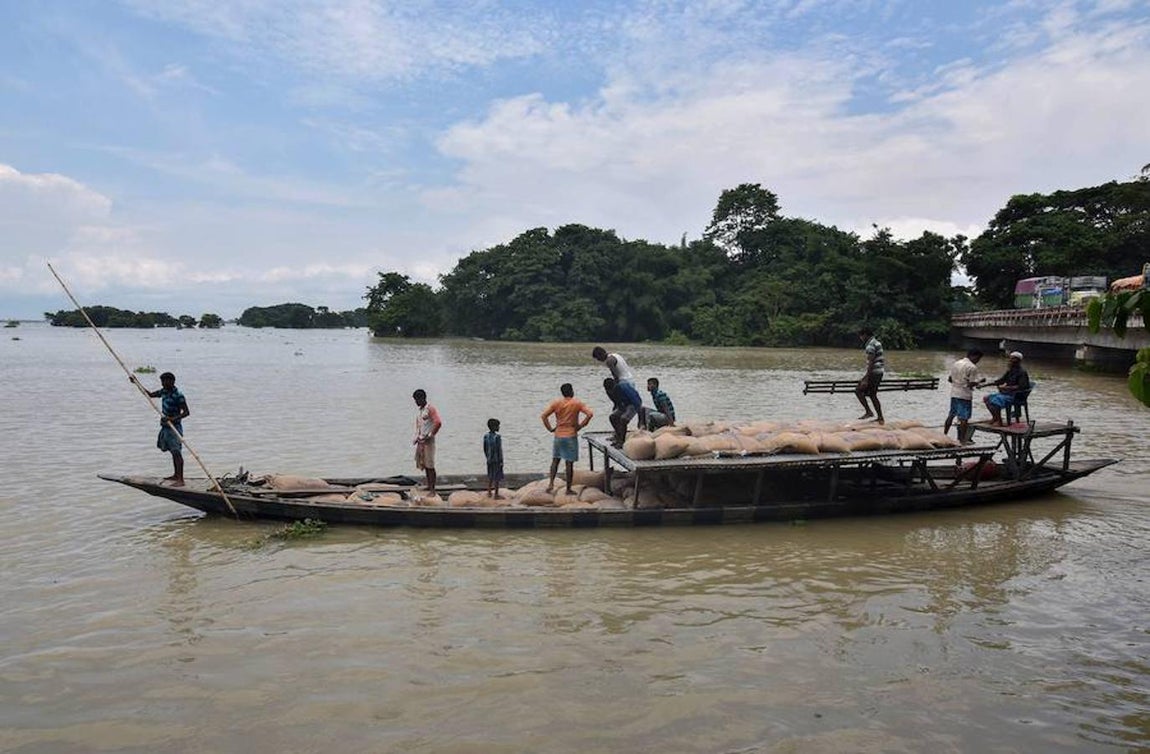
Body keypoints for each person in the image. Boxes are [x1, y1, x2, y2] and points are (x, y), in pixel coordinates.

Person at [131, 371, 190, 487]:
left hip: (175, 427)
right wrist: (136, 383)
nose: (163, 383)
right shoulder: (164, 392)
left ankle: (180, 479)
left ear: (172, 381)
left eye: (165, 381)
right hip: (166, 427)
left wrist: (172, 419)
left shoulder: (178, 395)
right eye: (162, 381)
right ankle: (175, 475)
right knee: (172, 452)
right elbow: (149, 395)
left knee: (176, 452)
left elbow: (186, 412)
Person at [541, 383, 594, 494]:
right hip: (570, 435)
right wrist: (581, 425)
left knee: (555, 461)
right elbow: (589, 414)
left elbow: (544, 416)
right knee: (569, 464)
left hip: (558, 436)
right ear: (572, 391)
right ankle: (568, 489)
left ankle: (551, 484)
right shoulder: (577, 403)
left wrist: (550, 429)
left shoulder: (557, 403)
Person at [943, 349, 986, 442]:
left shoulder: (957, 363)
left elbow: (950, 379)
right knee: (964, 418)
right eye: (978, 359)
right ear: (973, 356)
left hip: (954, 393)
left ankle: (944, 434)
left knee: (951, 415)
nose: (977, 361)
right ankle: (962, 440)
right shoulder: (972, 367)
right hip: (964, 395)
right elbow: (971, 384)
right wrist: (979, 381)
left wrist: (958, 382)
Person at [984, 351, 1031, 426]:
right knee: (986, 398)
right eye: (1010, 359)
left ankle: (1000, 422)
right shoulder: (1010, 371)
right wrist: (985, 385)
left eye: (1012, 359)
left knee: (995, 401)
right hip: (1007, 393)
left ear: (1017, 361)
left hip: (1015, 395)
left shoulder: (1022, 372)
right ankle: (995, 417)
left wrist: (1007, 387)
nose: (1010, 361)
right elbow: (1000, 381)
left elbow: (1021, 386)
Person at [412, 389, 442, 493]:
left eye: (417, 400)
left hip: (428, 441)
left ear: (422, 398)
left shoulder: (430, 409)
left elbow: (438, 422)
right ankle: (429, 486)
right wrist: (416, 437)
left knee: (430, 465)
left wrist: (430, 435)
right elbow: (419, 425)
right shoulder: (420, 411)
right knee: (424, 464)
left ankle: (433, 490)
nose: (416, 402)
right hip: (421, 441)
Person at [854, 327, 885, 424]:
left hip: (874, 372)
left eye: (861, 336)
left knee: (858, 391)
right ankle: (880, 417)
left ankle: (868, 411)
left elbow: (871, 362)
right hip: (879, 371)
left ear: (865, 335)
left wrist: (866, 378)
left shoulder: (870, 346)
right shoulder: (877, 342)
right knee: (872, 394)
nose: (861, 338)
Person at [603, 377, 642, 447]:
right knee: (613, 417)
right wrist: (616, 408)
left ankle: (622, 441)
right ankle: (618, 436)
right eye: (609, 391)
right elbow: (616, 402)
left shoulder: (623, 387)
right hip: (624, 404)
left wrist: (640, 418)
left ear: (615, 386)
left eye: (612, 390)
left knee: (623, 419)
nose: (610, 392)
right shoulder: (609, 391)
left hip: (633, 404)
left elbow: (636, 401)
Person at [482, 418, 503, 498]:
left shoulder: (486, 436)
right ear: (494, 427)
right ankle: (496, 494)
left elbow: (485, 448)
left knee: (490, 476)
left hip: (489, 460)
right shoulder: (497, 437)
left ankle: (489, 492)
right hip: (497, 460)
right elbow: (499, 450)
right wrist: (501, 461)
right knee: (497, 477)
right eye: (498, 426)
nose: (499, 427)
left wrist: (487, 457)